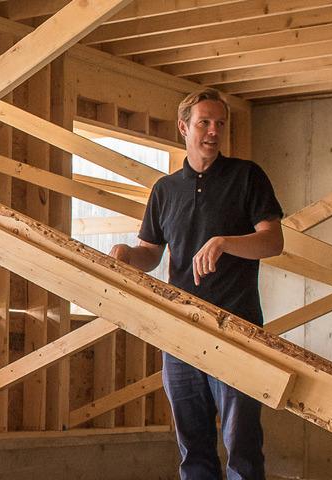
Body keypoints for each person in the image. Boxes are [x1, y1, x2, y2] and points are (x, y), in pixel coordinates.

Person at [110, 88, 282, 480]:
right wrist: (125, 255)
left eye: (220, 123)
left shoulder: (247, 176)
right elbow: (150, 254)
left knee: (242, 446)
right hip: (180, 330)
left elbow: (273, 241)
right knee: (193, 446)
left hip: (238, 328)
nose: (213, 131)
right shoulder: (165, 190)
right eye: (204, 122)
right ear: (183, 127)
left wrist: (225, 242)